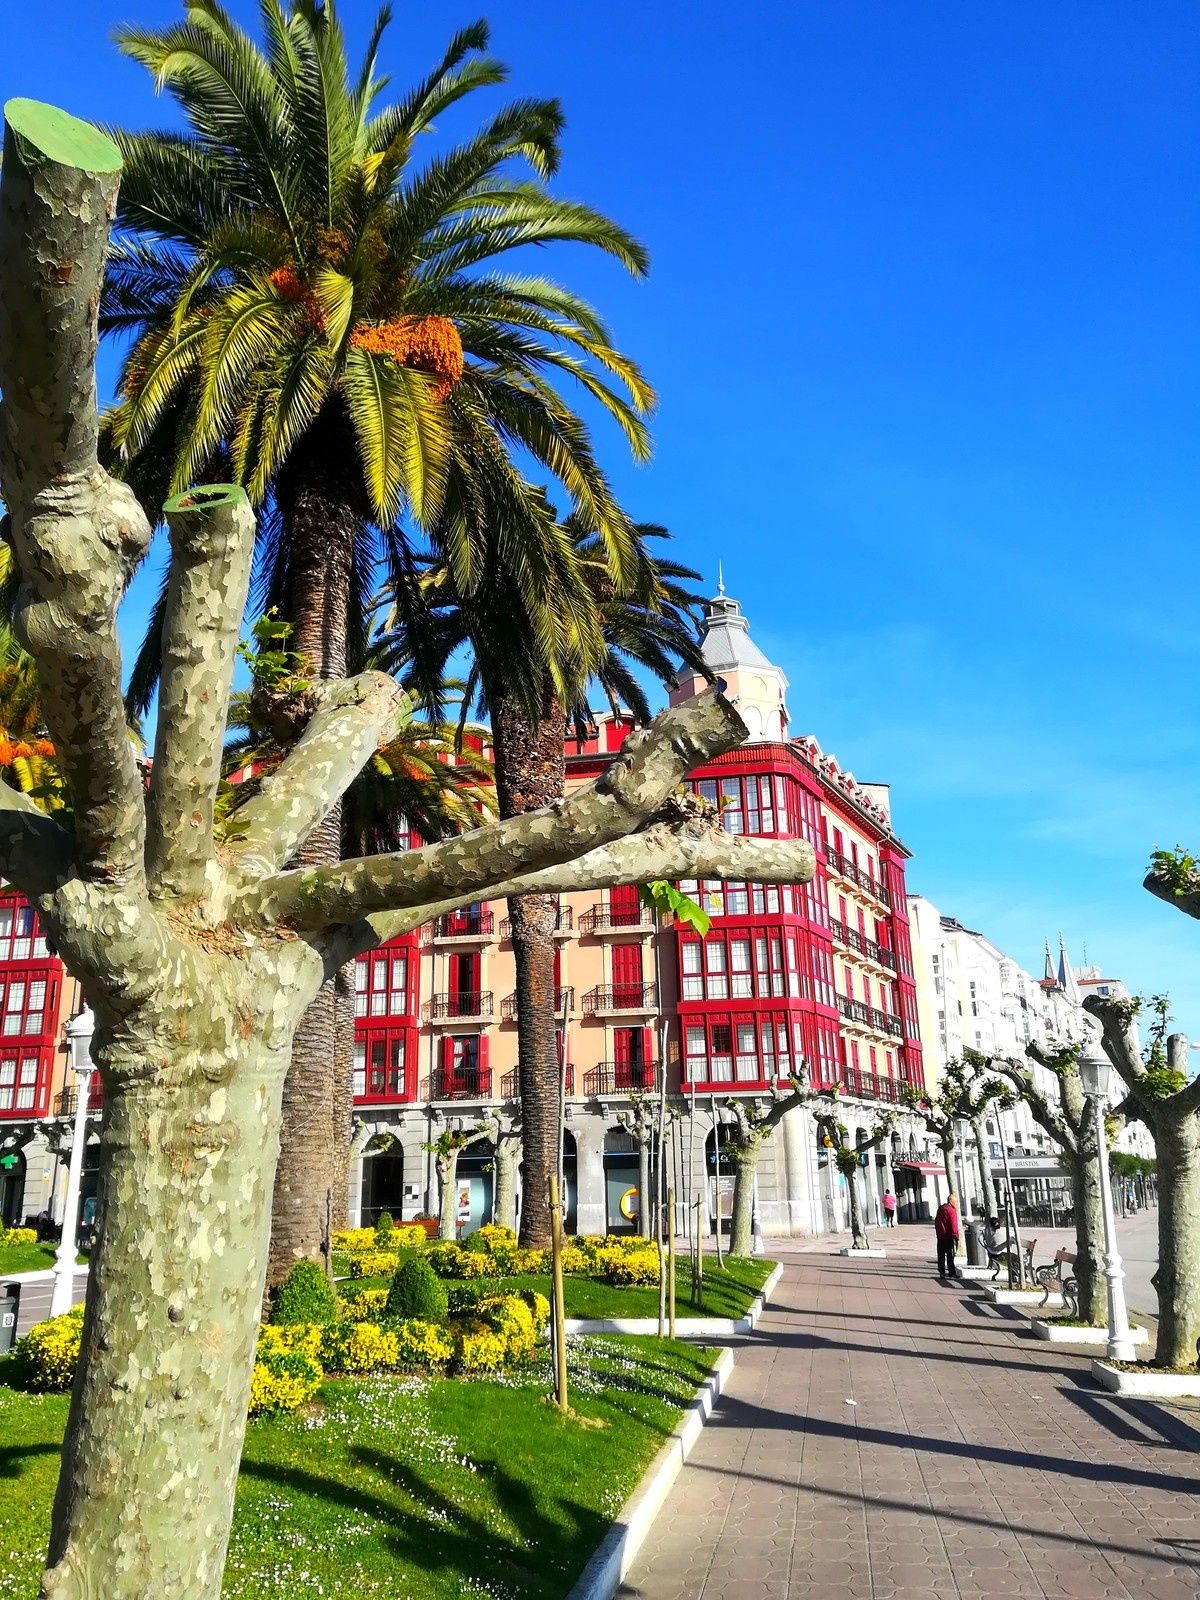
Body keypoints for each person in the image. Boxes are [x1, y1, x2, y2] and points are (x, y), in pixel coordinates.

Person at [934, 1192, 961, 1279]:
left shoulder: (941, 1209)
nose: (956, 1204)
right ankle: (951, 1272)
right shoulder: (951, 1211)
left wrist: (938, 1232)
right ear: (951, 1202)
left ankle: (942, 1272)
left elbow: (936, 1221)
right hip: (948, 1236)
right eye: (955, 1202)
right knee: (949, 1254)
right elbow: (954, 1225)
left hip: (940, 1235)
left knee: (941, 1254)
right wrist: (956, 1236)